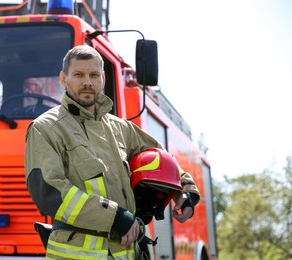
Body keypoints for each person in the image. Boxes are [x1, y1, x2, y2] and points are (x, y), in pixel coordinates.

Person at [25, 45, 200, 259]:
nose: (87, 82)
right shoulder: (45, 128)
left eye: (93, 75)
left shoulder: (120, 128)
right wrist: (115, 218)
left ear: (103, 79)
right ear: (63, 79)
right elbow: (49, 192)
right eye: (78, 75)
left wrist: (185, 190)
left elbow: (161, 158)